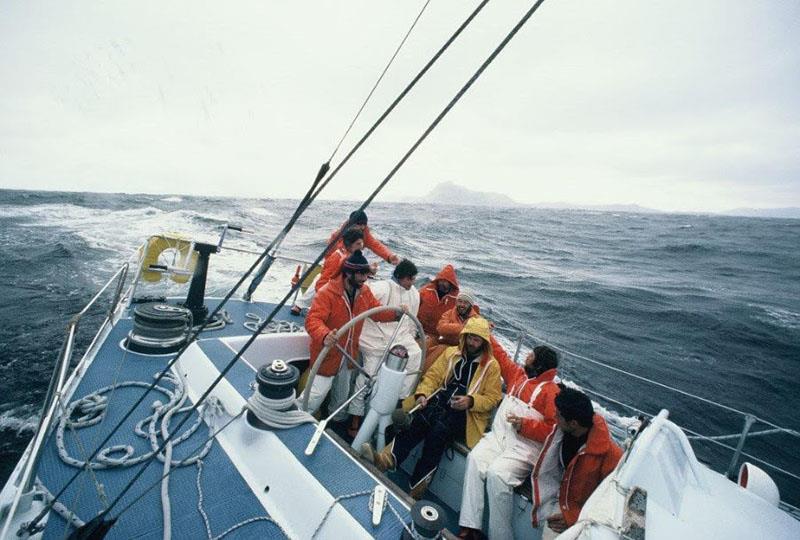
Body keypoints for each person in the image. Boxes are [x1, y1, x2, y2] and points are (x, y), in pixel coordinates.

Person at [361, 317, 502, 500]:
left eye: (477, 340)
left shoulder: (492, 367)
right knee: (419, 421)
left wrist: (470, 401)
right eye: (470, 338)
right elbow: (432, 378)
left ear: (484, 342)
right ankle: (386, 460)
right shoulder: (451, 353)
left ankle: (416, 489)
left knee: (438, 433)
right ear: (465, 337)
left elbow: (492, 399)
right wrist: (422, 395)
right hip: (439, 400)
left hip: (466, 414)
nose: (472, 343)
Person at [458, 346, 560, 540]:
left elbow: (553, 431)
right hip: (498, 438)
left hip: (525, 449)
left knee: (498, 475)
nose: (526, 357)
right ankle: (470, 527)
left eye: (531, 356)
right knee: (475, 459)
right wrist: (485, 329)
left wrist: (525, 425)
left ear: (539, 364)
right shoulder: (518, 375)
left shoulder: (552, 393)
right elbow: (502, 356)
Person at [303, 250, 402, 417]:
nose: (365, 279)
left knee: (341, 398)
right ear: (348, 273)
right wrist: (325, 335)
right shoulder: (327, 293)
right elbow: (312, 320)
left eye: (366, 274)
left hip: (348, 355)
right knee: (314, 396)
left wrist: (396, 314)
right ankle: (298, 418)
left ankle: (335, 425)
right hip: (328, 354)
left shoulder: (364, 292)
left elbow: (376, 312)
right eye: (361, 275)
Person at [531, 387, 623, 539]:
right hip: (559, 497)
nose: (554, 417)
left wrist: (574, 517)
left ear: (573, 423)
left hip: (581, 512)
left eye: (558, 415)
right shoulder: (561, 431)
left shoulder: (611, 456)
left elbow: (611, 504)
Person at [347, 259, 421, 437]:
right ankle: (354, 419)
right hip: (373, 338)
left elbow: (411, 322)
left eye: (413, 279)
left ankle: (399, 400)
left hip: (399, 336)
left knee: (416, 354)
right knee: (368, 376)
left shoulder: (414, 294)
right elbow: (360, 306)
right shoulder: (380, 288)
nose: (411, 283)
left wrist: (411, 336)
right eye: (409, 279)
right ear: (399, 277)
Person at [327, 209, 400, 265]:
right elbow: (340, 257)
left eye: (364, 224)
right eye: (359, 224)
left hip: (351, 266)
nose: (362, 227)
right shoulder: (338, 237)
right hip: (334, 265)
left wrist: (389, 256)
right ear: (351, 224)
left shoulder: (364, 233)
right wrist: (365, 268)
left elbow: (376, 245)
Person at [417, 264, 460, 340]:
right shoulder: (425, 291)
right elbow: (413, 303)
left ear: (451, 283)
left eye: (445, 281)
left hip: (437, 336)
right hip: (417, 329)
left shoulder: (456, 300)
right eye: (441, 280)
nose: (442, 283)